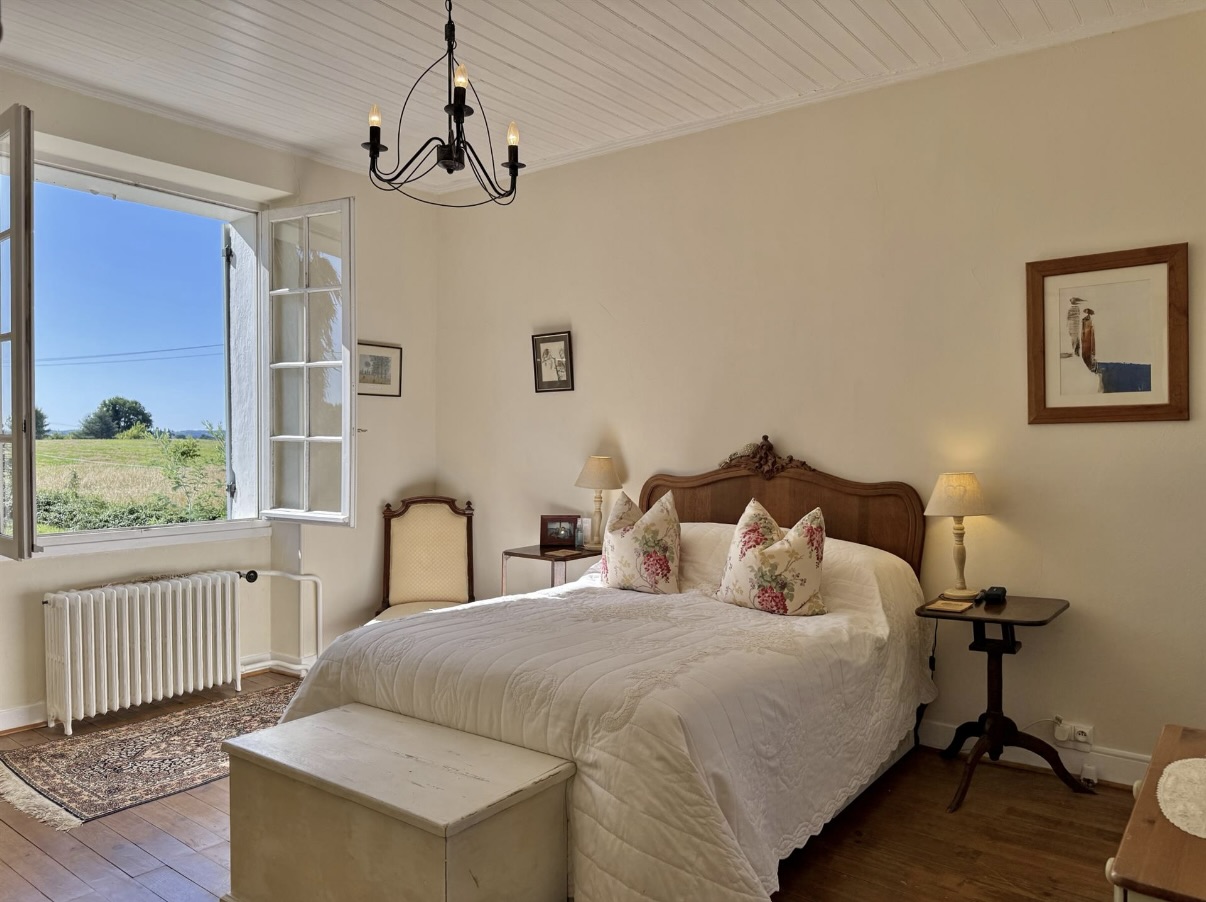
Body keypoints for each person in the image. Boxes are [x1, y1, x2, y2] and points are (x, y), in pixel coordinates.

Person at [1080, 308, 1097, 373]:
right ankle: (1090, 366)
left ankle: (1091, 366)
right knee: (1088, 350)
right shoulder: (1086, 320)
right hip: (1086, 338)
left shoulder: (1088, 320)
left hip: (1087, 338)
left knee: (1090, 349)